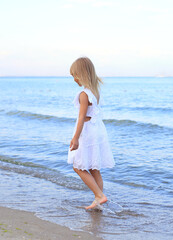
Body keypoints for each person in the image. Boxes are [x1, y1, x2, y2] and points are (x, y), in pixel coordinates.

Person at [68, 57, 115, 210]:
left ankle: (100, 196)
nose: (74, 79)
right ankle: (98, 201)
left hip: (87, 132)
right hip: (97, 131)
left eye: (75, 75)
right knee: (94, 168)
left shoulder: (83, 94)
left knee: (78, 166)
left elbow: (81, 117)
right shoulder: (94, 91)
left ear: (82, 74)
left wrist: (75, 138)